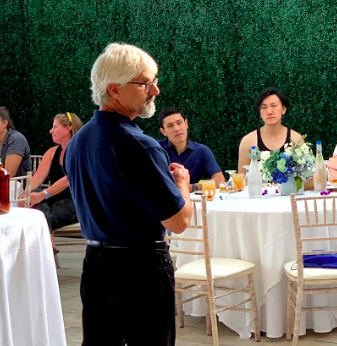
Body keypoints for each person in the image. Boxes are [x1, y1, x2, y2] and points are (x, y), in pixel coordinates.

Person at [64, 43, 193, 345]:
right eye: (145, 83)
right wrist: (182, 185)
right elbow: (178, 221)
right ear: (115, 89)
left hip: (95, 263)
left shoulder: (78, 142)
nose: (155, 91)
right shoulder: (139, 145)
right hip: (141, 270)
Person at [29, 112, 83, 233]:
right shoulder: (52, 152)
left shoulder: (81, 152)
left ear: (67, 129)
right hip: (52, 200)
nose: (50, 131)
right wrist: (26, 196)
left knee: (41, 215)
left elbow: (68, 179)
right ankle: (50, 244)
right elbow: (37, 179)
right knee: (35, 194)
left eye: (55, 127)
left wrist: (42, 195)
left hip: (75, 202)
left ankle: (49, 245)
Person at [238, 87, 304, 173]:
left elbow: (304, 177)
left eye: (273, 106)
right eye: (264, 107)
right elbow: (242, 178)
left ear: (283, 109)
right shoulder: (248, 141)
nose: (269, 111)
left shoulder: (296, 139)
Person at [158, 107, 224, 186]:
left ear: (186, 124)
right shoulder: (156, 150)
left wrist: (192, 187)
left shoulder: (201, 151)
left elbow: (219, 180)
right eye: (170, 126)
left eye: (179, 123)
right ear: (163, 131)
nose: (176, 129)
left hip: (192, 196)